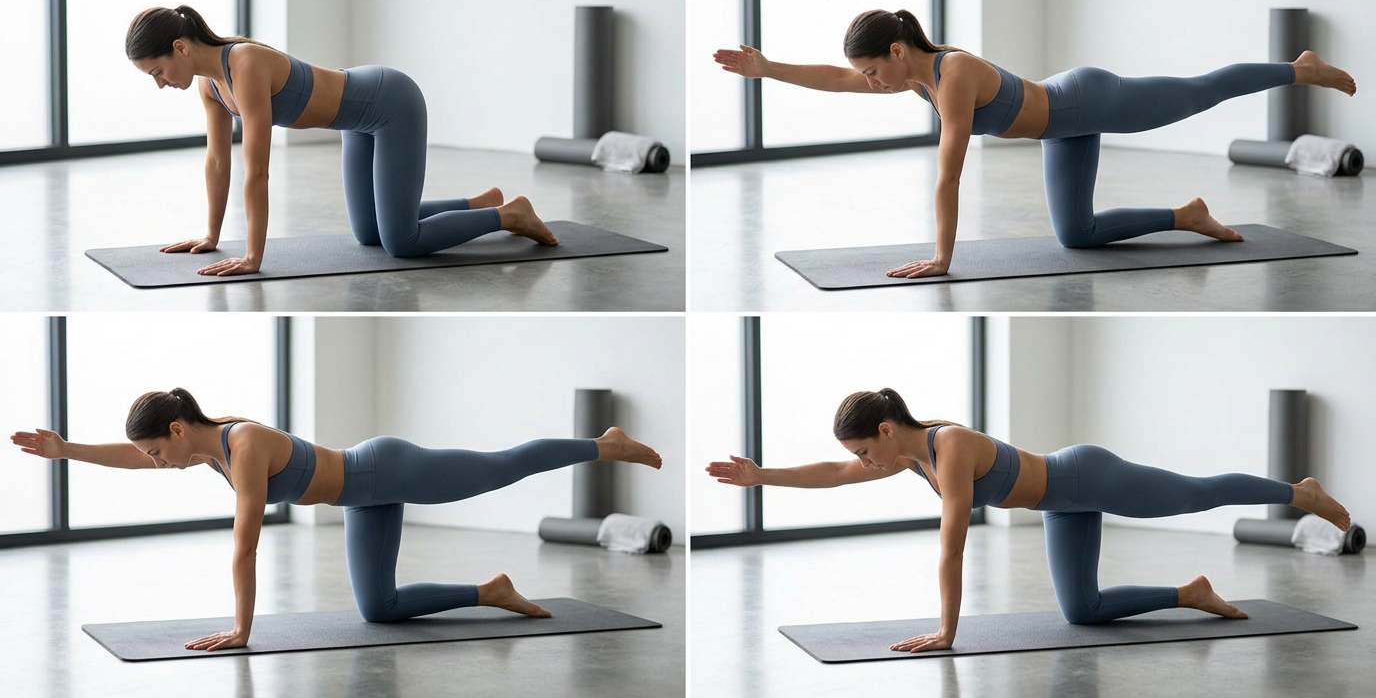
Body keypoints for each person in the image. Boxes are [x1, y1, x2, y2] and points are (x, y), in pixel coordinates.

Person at [714, 9, 1358, 279]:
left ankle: (1301, 67)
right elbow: (835, 79)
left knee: (1200, 91)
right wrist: (768, 68)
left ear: (898, 50)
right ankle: (1185, 216)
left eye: (874, 68)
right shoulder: (911, 78)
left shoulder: (953, 74)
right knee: (1075, 236)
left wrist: (942, 256)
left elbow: (949, 172)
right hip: (1061, 129)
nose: (870, 81)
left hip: (1087, 99)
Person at [11, 388, 662, 651]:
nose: (155, 463)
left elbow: (244, 548)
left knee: (500, 466)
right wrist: (67, 450)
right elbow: (129, 455)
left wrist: (242, 630)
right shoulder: (210, 450)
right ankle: (490, 592)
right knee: (377, 609)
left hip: (387, 470)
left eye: (158, 451)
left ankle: (605, 443)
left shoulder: (244, 448)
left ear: (179, 430)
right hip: (361, 499)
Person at [705, 387, 1350, 653]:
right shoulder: (906, 455)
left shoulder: (946, 447)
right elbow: (834, 474)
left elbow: (952, 546)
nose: (864, 463)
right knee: (1083, 612)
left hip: (1083, 476)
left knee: (1194, 494)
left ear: (883, 430)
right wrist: (763, 476)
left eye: (865, 449)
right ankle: (1190, 594)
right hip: (1057, 507)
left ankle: (1299, 491)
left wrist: (945, 633)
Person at [125, 5, 560, 277]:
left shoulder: (245, 63)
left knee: (401, 243)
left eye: (156, 72)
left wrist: (254, 257)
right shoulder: (211, 86)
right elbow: (218, 164)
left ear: (179, 47)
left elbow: (257, 170)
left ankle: (508, 215)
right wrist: (211, 234)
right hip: (357, 123)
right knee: (369, 233)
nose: (160, 84)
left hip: (390, 103)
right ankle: (479, 202)